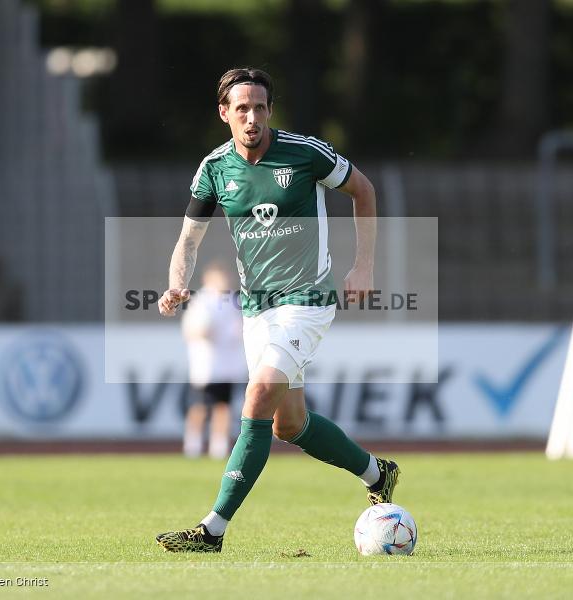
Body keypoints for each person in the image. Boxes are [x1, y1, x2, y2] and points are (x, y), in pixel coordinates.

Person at [155, 67, 399, 553]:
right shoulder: (214, 168)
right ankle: (378, 472)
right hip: (257, 311)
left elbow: (364, 189)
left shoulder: (305, 153)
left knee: (258, 394)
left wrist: (363, 266)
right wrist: (177, 283)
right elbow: (189, 239)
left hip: (308, 300)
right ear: (224, 113)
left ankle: (212, 530)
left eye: (260, 108)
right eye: (242, 109)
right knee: (290, 425)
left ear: (270, 111)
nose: (252, 118)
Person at [181, 261, 245, 459]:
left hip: (228, 365)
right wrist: (203, 332)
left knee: (223, 406)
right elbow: (191, 331)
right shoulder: (201, 301)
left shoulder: (234, 301)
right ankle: (193, 444)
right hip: (206, 365)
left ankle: (219, 446)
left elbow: (241, 327)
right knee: (200, 406)